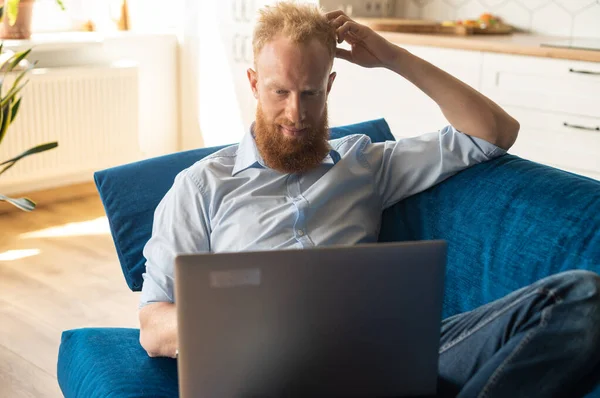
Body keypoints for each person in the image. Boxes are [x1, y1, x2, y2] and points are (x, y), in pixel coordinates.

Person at [138, 2, 600, 397]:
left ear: (330, 87)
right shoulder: (201, 186)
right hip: (272, 373)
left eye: (310, 93)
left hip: (384, 353)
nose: (295, 113)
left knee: (581, 295)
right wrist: (242, 330)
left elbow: (493, 133)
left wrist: (394, 58)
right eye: (279, 92)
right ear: (255, 84)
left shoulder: (365, 162)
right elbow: (153, 323)